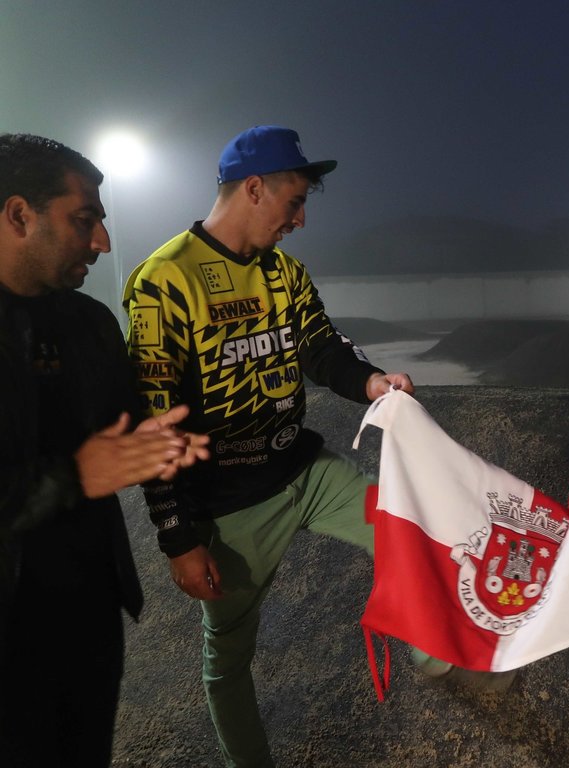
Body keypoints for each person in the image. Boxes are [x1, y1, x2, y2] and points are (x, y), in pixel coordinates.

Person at [123, 125, 415, 768]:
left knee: (408, 531)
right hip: (229, 506)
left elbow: (321, 346)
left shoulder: (284, 271)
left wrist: (372, 382)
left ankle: (447, 663)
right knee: (227, 658)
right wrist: (179, 537)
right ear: (255, 188)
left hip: (307, 471)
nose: (301, 220)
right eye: (295, 201)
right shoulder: (164, 280)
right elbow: (154, 421)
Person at [0, 133, 209, 767]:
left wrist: (159, 448)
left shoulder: (91, 325)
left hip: (88, 616)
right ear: (18, 215)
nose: (103, 243)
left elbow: (129, 432)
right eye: (84, 220)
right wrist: (72, 477)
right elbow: (86, 468)